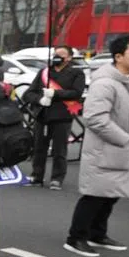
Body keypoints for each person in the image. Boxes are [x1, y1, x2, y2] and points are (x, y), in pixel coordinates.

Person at [63, 34, 129, 257]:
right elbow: (95, 118)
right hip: (105, 150)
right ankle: (75, 238)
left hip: (122, 150)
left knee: (110, 195)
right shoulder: (105, 83)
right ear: (118, 56)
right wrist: (126, 139)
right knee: (95, 196)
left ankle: (97, 233)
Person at [23, 45, 85, 190]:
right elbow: (29, 93)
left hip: (62, 116)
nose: (57, 57)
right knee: (39, 148)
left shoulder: (76, 73)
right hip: (43, 115)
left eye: (62, 55)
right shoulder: (44, 72)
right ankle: (37, 176)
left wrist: (55, 94)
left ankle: (57, 178)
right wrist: (39, 100)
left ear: (69, 58)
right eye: (56, 54)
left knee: (59, 150)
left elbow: (76, 93)